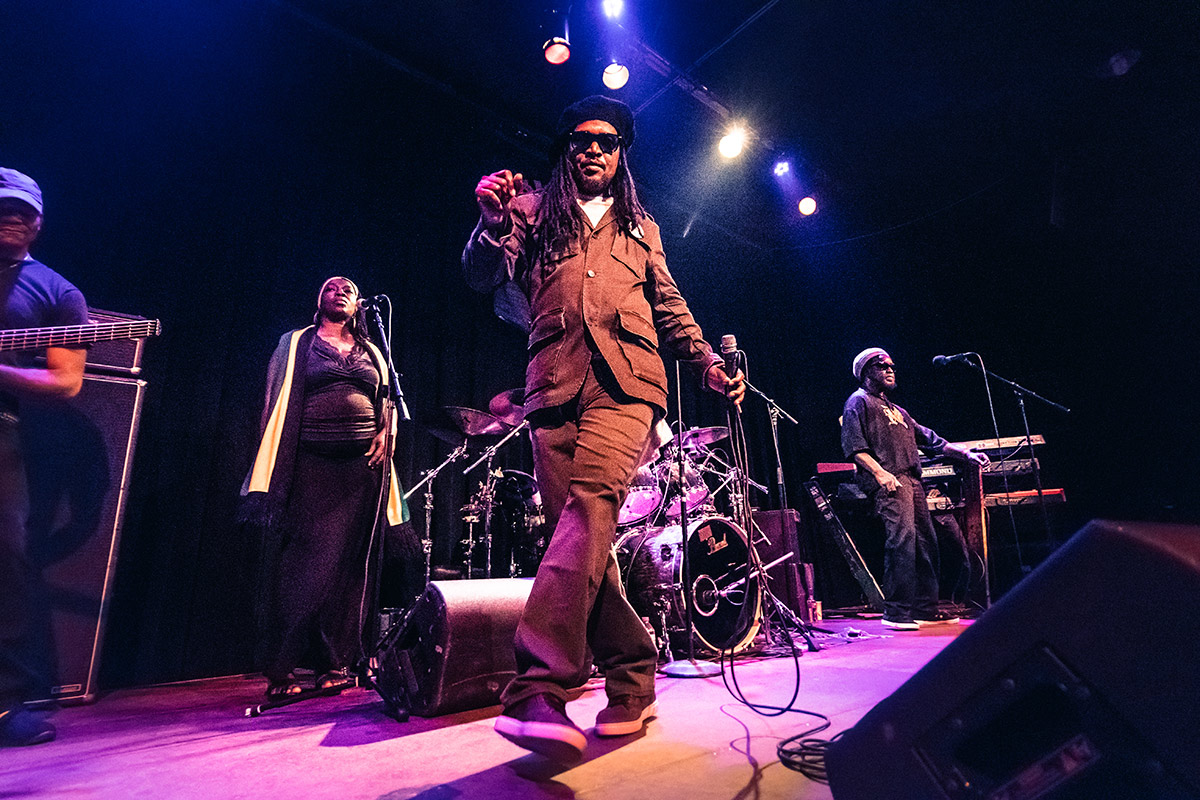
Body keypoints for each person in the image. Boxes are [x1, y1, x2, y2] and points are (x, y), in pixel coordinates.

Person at [463, 95, 744, 763]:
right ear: (567, 151)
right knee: (584, 542)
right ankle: (634, 675)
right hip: (552, 387)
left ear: (621, 156)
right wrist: (487, 222)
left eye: (608, 142)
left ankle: (539, 687)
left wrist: (704, 359)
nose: (594, 149)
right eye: (583, 140)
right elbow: (481, 275)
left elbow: (670, 306)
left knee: (590, 507)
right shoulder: (532, 214)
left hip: (630, 388)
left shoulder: (642, 228)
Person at [240, 277, 409, 699]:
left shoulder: (373, 350)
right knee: (306, 569)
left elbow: (386, 400)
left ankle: (333, 663)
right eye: (331, 286)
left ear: (359, 305)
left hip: (362, 473)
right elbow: (274, 400)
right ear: (318, 299)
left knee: (351, 571)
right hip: (312, 468)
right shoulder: (297, 342)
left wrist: (388, 433)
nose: (340, 290)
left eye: (349, 288)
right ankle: (282, 669)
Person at [0, 167, 87, 746]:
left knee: (5, 560)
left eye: (25, 211)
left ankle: (7, 704)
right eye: (4, 207)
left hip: (5, 437)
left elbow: (66, 383)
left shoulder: (57, 293)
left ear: (39, 224)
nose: (14, 218)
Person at [841, 347, 988, 630]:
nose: (889, 369)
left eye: (891, 365)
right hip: (890, 479)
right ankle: (896, 612)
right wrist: (880, 473)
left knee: (926, 543)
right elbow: (854, 448)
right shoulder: (858, 403)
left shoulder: (899, 411)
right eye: (882, 365)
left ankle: (924, 608)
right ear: (866, 372)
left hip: (912, 480)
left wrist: (967, 453)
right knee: (902, 543)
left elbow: (934, 441)